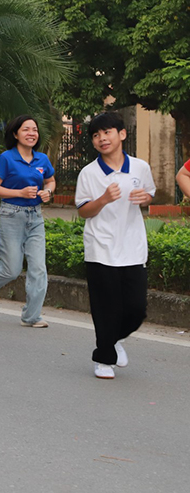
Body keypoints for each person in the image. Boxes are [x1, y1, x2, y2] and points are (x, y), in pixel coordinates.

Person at [75, 112, 154, 379]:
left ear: (121, 134)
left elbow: (149, 193)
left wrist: (145, 198)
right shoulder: (89, 173)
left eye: (106, 132)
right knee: (105, 307)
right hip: (100, 247)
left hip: (132, 247)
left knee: (136, 309)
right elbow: (84, 211)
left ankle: (114, 339)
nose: (101, 139)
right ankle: (104, 358)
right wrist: (103, 199)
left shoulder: (141, 167)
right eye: (96, 135)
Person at [0, 115, 56, 327]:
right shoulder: (6, 158)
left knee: (38, 268)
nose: (32, 133)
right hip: (11, 215)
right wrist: (19, 193)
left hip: (35, 217)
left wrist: (48, 191)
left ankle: (32, 316)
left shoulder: (42, 159)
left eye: (35, 130)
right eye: (26, 129)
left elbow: (50, 180)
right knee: (11, 269)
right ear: (15, 133)